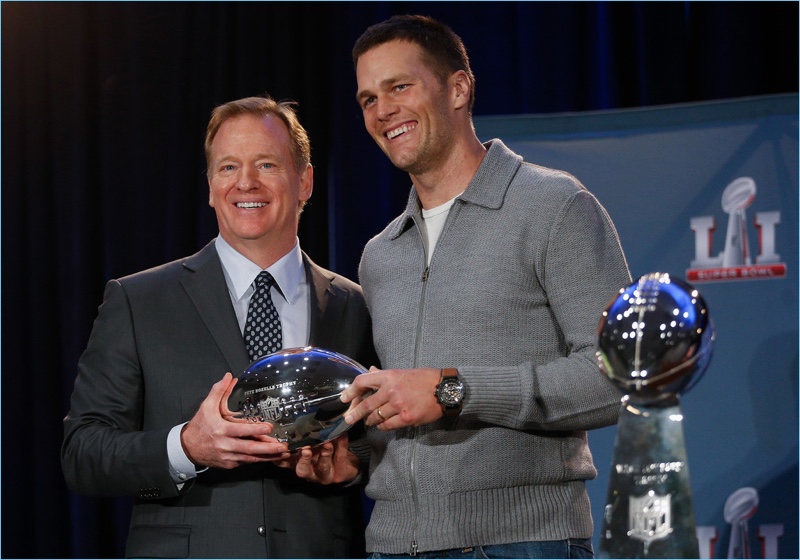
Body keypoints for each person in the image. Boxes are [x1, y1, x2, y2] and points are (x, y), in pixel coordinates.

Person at [294, 14, 633, 559]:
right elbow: (408, 414)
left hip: (522, 542)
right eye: (367, 99)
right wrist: (358, 457)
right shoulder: (381, 254)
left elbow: (620, 375)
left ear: (458, 87)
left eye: (399, 87)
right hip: (395, 545)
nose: (383, 112)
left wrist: (454, 391)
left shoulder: (554, 206)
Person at [61, 95, 377, 558]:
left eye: (266, 164)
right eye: (227, 168)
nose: (245, 182)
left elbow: (384, 439)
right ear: (210, 186)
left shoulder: (355, 305)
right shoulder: (138, 301)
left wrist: (352, 466)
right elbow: (83, 454)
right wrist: (187, 447)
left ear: (305, 181)